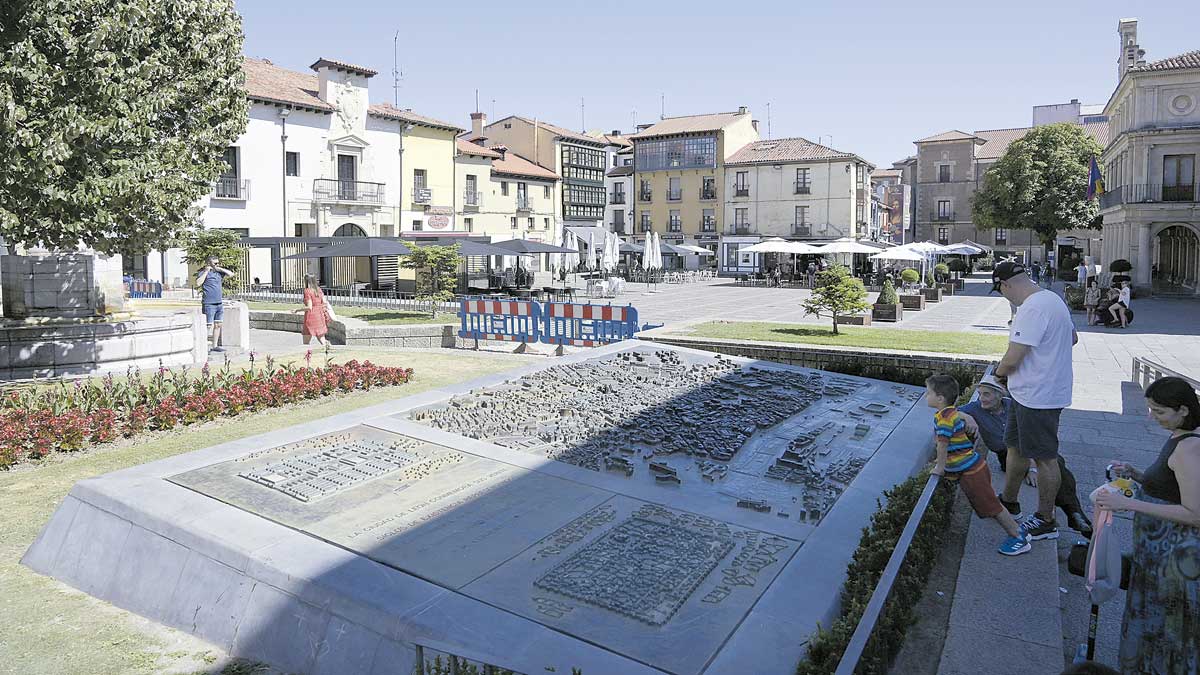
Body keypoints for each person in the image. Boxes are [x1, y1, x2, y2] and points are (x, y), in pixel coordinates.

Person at [1094, 376, 1200, 675]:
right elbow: (1169, 486)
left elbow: (1195, 513)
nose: (1152, 417)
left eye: (1159, 411)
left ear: (1183, 409)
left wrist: (1128, 504)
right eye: (1151, 409)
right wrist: (1136, 474)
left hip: (1174, 563)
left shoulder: (1190, 449)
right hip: (1157, 558)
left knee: (1168, 631)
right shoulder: (1177, 437)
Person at [993, 261, 1078, 542]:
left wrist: (998, 375)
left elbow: (1014, 355)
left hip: (1038, 396)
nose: (1005, 296)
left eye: (1001, 290)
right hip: (1029, 392)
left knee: (1044, 459)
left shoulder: (1032, 308)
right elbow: (1073, 338)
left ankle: (1045, 519)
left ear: (1006, 285)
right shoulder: (1053, 299)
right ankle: (1009, 500)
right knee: (1015, 448)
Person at [960, 374, 1093, 537]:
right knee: (1052, 461)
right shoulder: (975, 408)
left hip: (1027, 451)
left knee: (1056, 460)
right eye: (980, 394)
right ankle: (1074, 513)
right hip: (1007, 455)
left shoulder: (1012, 405)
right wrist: (965, 416)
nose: (981, 398)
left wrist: (1032, 466)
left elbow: (1030, 435)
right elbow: (947, 412)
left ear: (999, 394)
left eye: (986, 394)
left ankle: (1073, 511)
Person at [925, 373, 1031, 555]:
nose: (926, 396)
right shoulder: (950, 413)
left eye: (928, 393)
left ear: (940, 398)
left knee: (993, 507)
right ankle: (1019, 532)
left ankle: (1018, 537)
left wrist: (940, 468)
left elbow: (942, 446)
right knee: (990, 503)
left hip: (971, 472)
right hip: (975, 466)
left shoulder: (943, 419)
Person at [195, 256, 234, 353]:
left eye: (218, 263)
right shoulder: (203, 272)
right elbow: (198, 283)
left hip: (219, 303)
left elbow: (231, 274)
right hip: (209, 303)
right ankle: (203, 346)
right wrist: (206, 271)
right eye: (215, 263)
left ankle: (215, 346)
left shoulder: (219, 273)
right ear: (209, 263)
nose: (217, 264)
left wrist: (219, 268)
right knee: (208, 326)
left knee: (218, 325)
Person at [294, 273, 329, 346]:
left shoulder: (307, 291)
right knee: (322, 339)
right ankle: (327, 351)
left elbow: (309, 307)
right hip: (320, 315)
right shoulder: (318, 290)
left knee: (306, 341)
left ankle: (307, 354)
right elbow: (324, 302)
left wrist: (297, 310)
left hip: (311, 317)